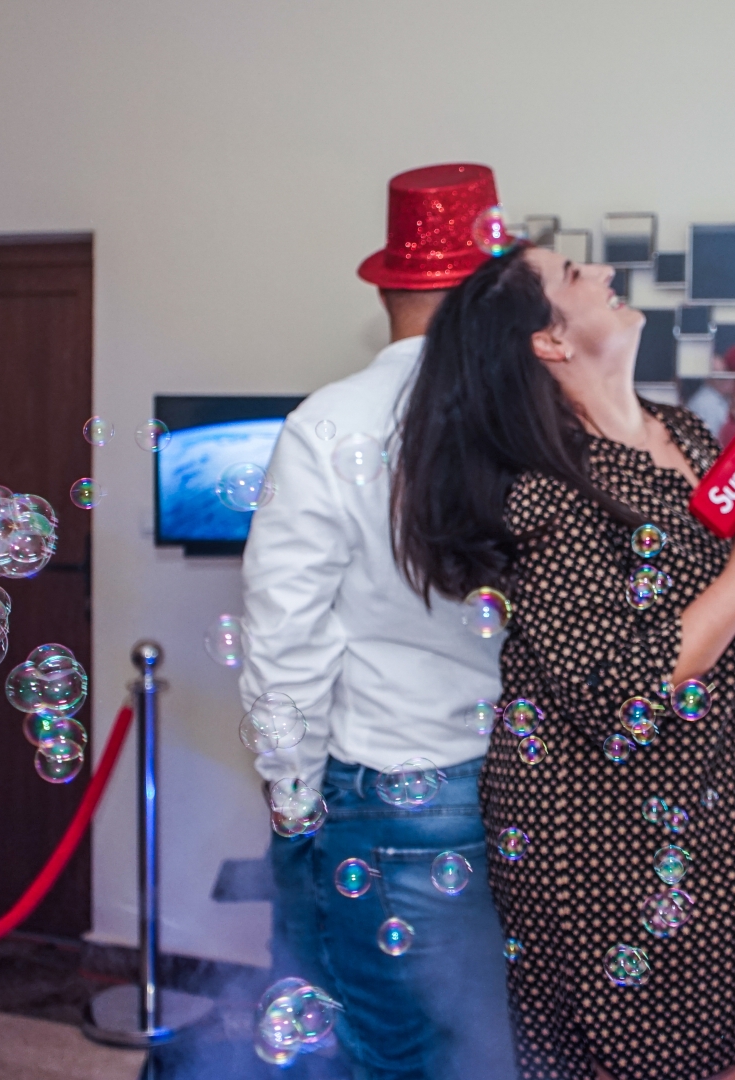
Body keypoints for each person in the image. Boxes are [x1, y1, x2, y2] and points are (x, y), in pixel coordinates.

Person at [391, 244, 735, 1080]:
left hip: (725, 818)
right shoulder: (545, 490)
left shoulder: (687, 432)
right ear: (550, 341)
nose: (599, 272)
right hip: (614, 844)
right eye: (572, 275)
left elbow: (684, 610)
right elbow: (618, 691)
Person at [239, 163, 517, 1080]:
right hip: (528, 785)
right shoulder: (534, 421)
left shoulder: (328, 423)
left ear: (386, 288)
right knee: (499, 1048)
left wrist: (290, 794)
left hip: (390, 793)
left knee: (383, 1054)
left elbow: (285, 633)